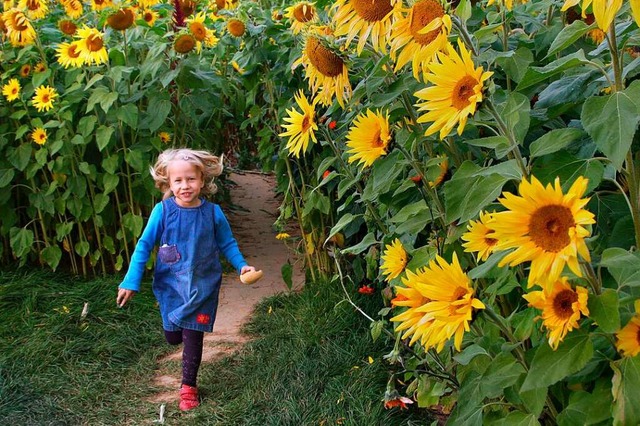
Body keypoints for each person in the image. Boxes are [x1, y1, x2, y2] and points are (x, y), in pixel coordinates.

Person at [116, 148, 256, 411]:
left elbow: (227, 243)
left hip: (203, 286)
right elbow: (144, 245)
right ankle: (176, 331)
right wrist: (130, 281)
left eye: (191, 179)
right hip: (171, 285)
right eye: (178, 180)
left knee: (194, 335)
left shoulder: (212, 213)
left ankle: (188, 387)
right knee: (173, 338)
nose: (185, 185)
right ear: (168, 183)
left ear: (202, 180)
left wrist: (242, 266)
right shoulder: (163, 212)